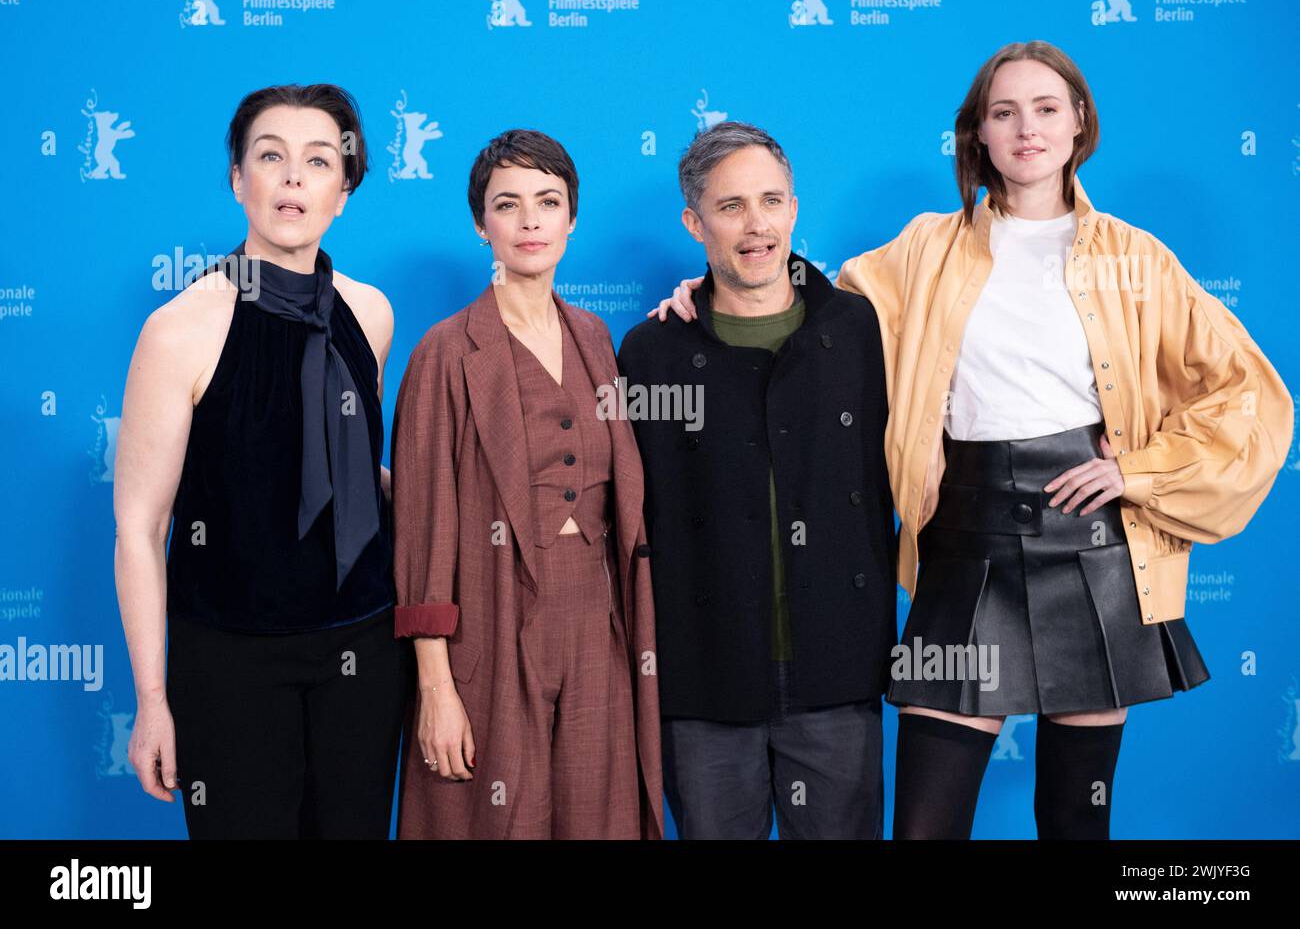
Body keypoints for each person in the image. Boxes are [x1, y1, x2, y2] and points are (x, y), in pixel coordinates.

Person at [652, 42, 1293, 839]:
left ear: (1079, 121)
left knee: (1077, 819)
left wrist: (1142, 471)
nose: (1027, 129)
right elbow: (812, 307)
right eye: (1004, 112)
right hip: (964, 539)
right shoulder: (927, 247)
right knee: (926, 825)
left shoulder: (1137, 259)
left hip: (1093, 545)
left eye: (1046, 109)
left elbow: (1248, 393)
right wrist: (713, 285)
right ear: (977, 133)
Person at [114, 83, 412, 838]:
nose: (292, 178)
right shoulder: (179, 329)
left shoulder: (371, 313)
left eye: (319, 161)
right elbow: (141, 527)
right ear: (237, 179)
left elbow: (347, 470)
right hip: (231, 659)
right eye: (270, 156)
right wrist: (152, 700)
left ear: (343, 191)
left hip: (364, 647)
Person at [622, 122, 896, 839]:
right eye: (731, 206)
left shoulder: (860, 330)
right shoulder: (652, 352)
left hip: (838, 674)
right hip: (704, 681)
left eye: (771, 201)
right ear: (695, 223)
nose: (757, 225)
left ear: (794, 208)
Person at [390, 129, 663, 839]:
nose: (530, 220)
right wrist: (436, 688)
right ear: (481, 224)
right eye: (507, 204)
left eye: (548, 201)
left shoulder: (596, 339)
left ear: (572, 218)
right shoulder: (445, 353)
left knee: (599, 820)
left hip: (598, 627)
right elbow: (422, 532)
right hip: (491, 624)